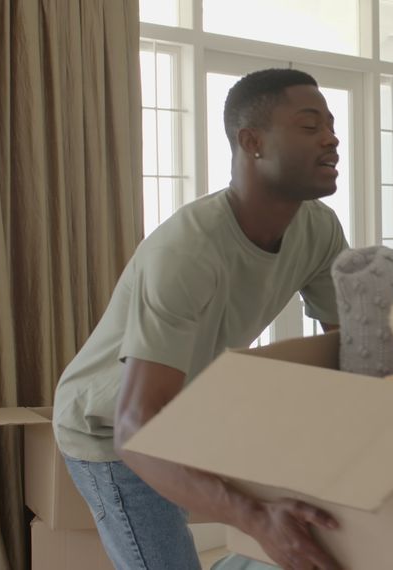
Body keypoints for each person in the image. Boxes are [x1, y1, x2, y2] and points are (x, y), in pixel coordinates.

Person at [52, 68, 349, 570]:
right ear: (252, 142)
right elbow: (135, 427)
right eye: (309, 125)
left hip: (184, 409)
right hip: (110, 430)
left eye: (331, 125)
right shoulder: (187, 251)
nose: (331, 138)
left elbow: (350, 347)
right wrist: (256, 519)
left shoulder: (318, 229)